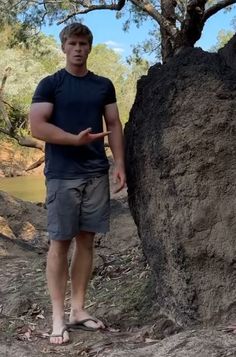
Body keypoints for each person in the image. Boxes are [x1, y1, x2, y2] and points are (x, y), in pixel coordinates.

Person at [29, 22, 126, 345]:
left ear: (90, 47)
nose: (78, 48)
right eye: (73, 43)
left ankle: (78, 310)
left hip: (96, 173)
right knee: (60, 243)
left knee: (86, 241)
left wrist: (120, 164)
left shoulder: (103, 85)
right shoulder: (50, 84)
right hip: (62, 176)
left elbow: (113, 124)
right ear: (64, 47)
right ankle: (58, 317)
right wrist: (73, 140)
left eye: (84, 43)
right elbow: (37, 127)